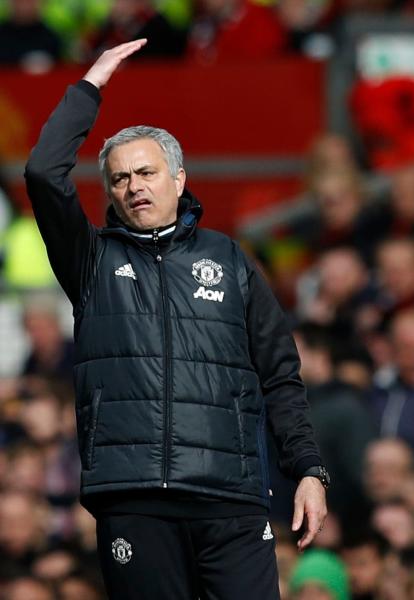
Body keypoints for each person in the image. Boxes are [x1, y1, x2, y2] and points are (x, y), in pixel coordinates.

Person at [23, 40, 329, 599]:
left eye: (146, 172)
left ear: (179, 178)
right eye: (119, 179)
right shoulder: (90, 261)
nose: (134, 186)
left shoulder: (232, 260)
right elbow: (43, 171)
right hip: (134, 496)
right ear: (110, 194)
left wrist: (308, 469)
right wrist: (89, 85)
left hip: (231, 497)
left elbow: (280, 375)